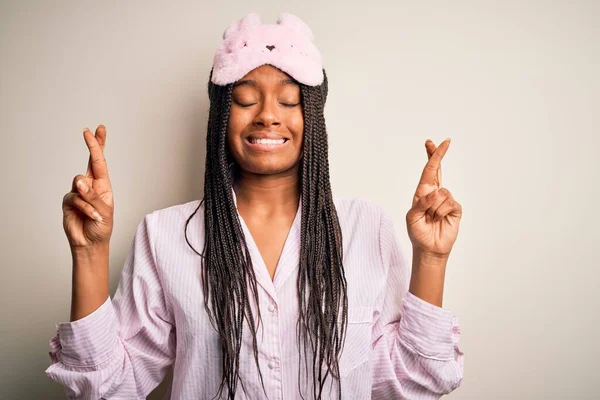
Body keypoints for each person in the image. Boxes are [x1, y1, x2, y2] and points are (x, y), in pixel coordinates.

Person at [46, 12, 464, 400]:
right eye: (246, 100)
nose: (267, 115)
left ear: (313, 118)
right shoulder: (164, 236)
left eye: (289, 101)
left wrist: (430, 257)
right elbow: (108, 388)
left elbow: (411, 380)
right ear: (221, 117)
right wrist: (89, 252)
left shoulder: (365, 227)